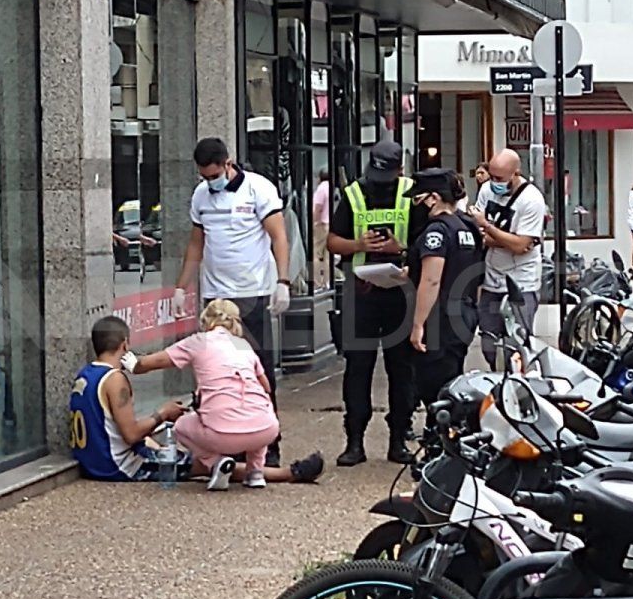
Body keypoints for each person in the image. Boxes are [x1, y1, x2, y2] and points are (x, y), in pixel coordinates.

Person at [70, 316, 323, 487]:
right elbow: (130, 434)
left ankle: (262, 471)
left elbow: (110, 429)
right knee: (199, 464)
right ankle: (289, 474)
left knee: (175, 452)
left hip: (95, 460)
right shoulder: (116, 381)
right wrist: (162, 414)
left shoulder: (86, 375)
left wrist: (152, 441)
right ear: (125, 343)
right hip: (119, 467)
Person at [174, 138, 291, 466]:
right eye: (204, 177)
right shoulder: (201, 196)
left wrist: (282, 282)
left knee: (258, 370)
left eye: (214, 175)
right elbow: (196, 244)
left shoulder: (258, 189)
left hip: (251, 294)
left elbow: (278, 236)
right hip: (217, 298)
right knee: (214, 371)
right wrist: (182, 287)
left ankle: (270, 443)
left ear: (228, 163)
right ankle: (223, 440)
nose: (210, 182)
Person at [327, 139, 426, 466]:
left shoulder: (413, 194)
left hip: (400, 292)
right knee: (358, 369)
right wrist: (359, 243)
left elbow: (426, 245)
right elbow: (332, 242)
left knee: (403, 370)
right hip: (362, 294)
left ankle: (399, 439)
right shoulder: (355, 193)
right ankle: (354, 442)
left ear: (400, 169)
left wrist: (400, 248)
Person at [405, 169, 484, 405]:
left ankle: (439, 438)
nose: (416, 205)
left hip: (440, 318)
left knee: (435, 390)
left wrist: (418, 325)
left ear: (434, 198)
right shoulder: (467, 226)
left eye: (418, 199)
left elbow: (432, 280)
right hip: (464, 313)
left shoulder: (437, 231)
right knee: (453, 381)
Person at [470, 148, 547, 368]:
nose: (494, 182)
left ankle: (518, 385)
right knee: (489, 341)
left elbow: (521, 245)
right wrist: (505, 239)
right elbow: (483, 236)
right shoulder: (487, 190)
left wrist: (487, 227)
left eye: (499, 178)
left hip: (521, 281)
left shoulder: (531, 200)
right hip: (492, 279)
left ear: (515, 173)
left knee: (518, 342)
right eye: (491, 176)